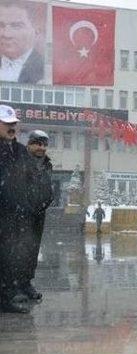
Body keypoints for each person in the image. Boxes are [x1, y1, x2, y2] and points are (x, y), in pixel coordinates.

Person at [0, 105, 32, 312]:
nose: (12, 127)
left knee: (9, 256)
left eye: (14, 124)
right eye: (7, 124)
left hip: (14, 213)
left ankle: (7, 297)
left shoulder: (20, 150)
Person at [22, 129, 53, 301]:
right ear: (29, 144)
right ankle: (12, 287)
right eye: (37, 144)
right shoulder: (20, 162)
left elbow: (47, 188)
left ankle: (26, 283)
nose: (41, 148)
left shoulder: (46, 164)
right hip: (20, 215)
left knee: (32, 251)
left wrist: (46, 202)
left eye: (44, 145)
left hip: (38, 215)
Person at [0, 2, 44, 84]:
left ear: (36, 31)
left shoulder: (46, 70)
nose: (6, 34)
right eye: (1, 25)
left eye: (16, 26)